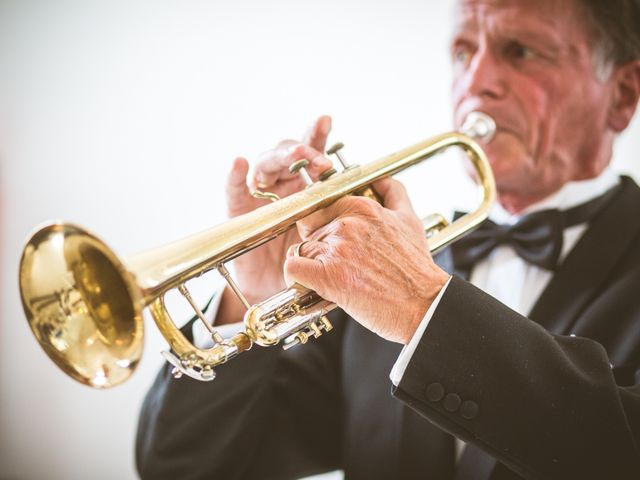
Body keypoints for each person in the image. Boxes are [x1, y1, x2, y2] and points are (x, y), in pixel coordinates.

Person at [136, 0, 640, 478]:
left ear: (621, 96)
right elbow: (185, 466)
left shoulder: (402, 278)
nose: (476, 81)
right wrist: (254, 287)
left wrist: (426, 307)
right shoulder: (383, 272)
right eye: (463, 52)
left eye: (521, 51)